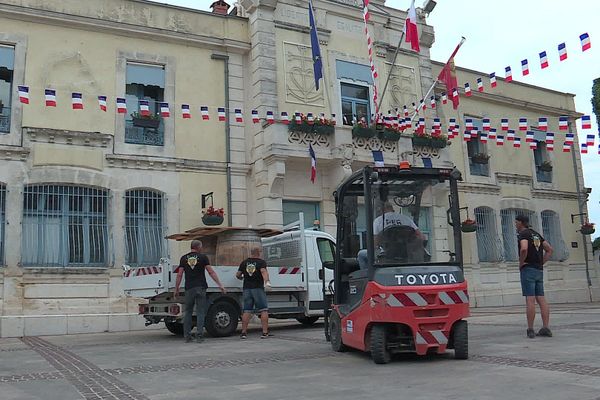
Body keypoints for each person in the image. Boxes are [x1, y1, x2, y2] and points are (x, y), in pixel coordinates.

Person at [174, 240, 226, 343]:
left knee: (188, 312)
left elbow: (179, 274)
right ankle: (199, 336)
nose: (202, 248)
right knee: (200, 312)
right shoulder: (203, 257)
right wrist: (220, 285)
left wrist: (177, 288)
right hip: (201, 287)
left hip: (189, 288)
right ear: (198, 247)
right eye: (201, 246)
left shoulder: (183, 258)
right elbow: (211, 272)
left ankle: (187, 336)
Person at [515, 215, 554, 339]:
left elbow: (524, 249)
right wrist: (541, 262)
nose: (515, 224)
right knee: (541, 299)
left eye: (516, 222)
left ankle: (530, 329)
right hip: (538, 270)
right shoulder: (536, 234)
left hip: (528, 269)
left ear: (521, 223)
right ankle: (546, 327)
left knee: (530, 299)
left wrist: (521, 263)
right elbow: (549, 249)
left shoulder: (524, 234)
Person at [236, 248, 272, 339]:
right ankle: (264, 332)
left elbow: (238, 274)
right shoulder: (261, 262)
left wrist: (241, 278)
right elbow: (263, 271)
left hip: (247, 289)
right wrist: (267, 282)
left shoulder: (244, 262)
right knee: (263, 310)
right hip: (258, 289)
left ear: (251, 253)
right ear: (259, 253)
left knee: (247, 310)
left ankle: (243, 333)